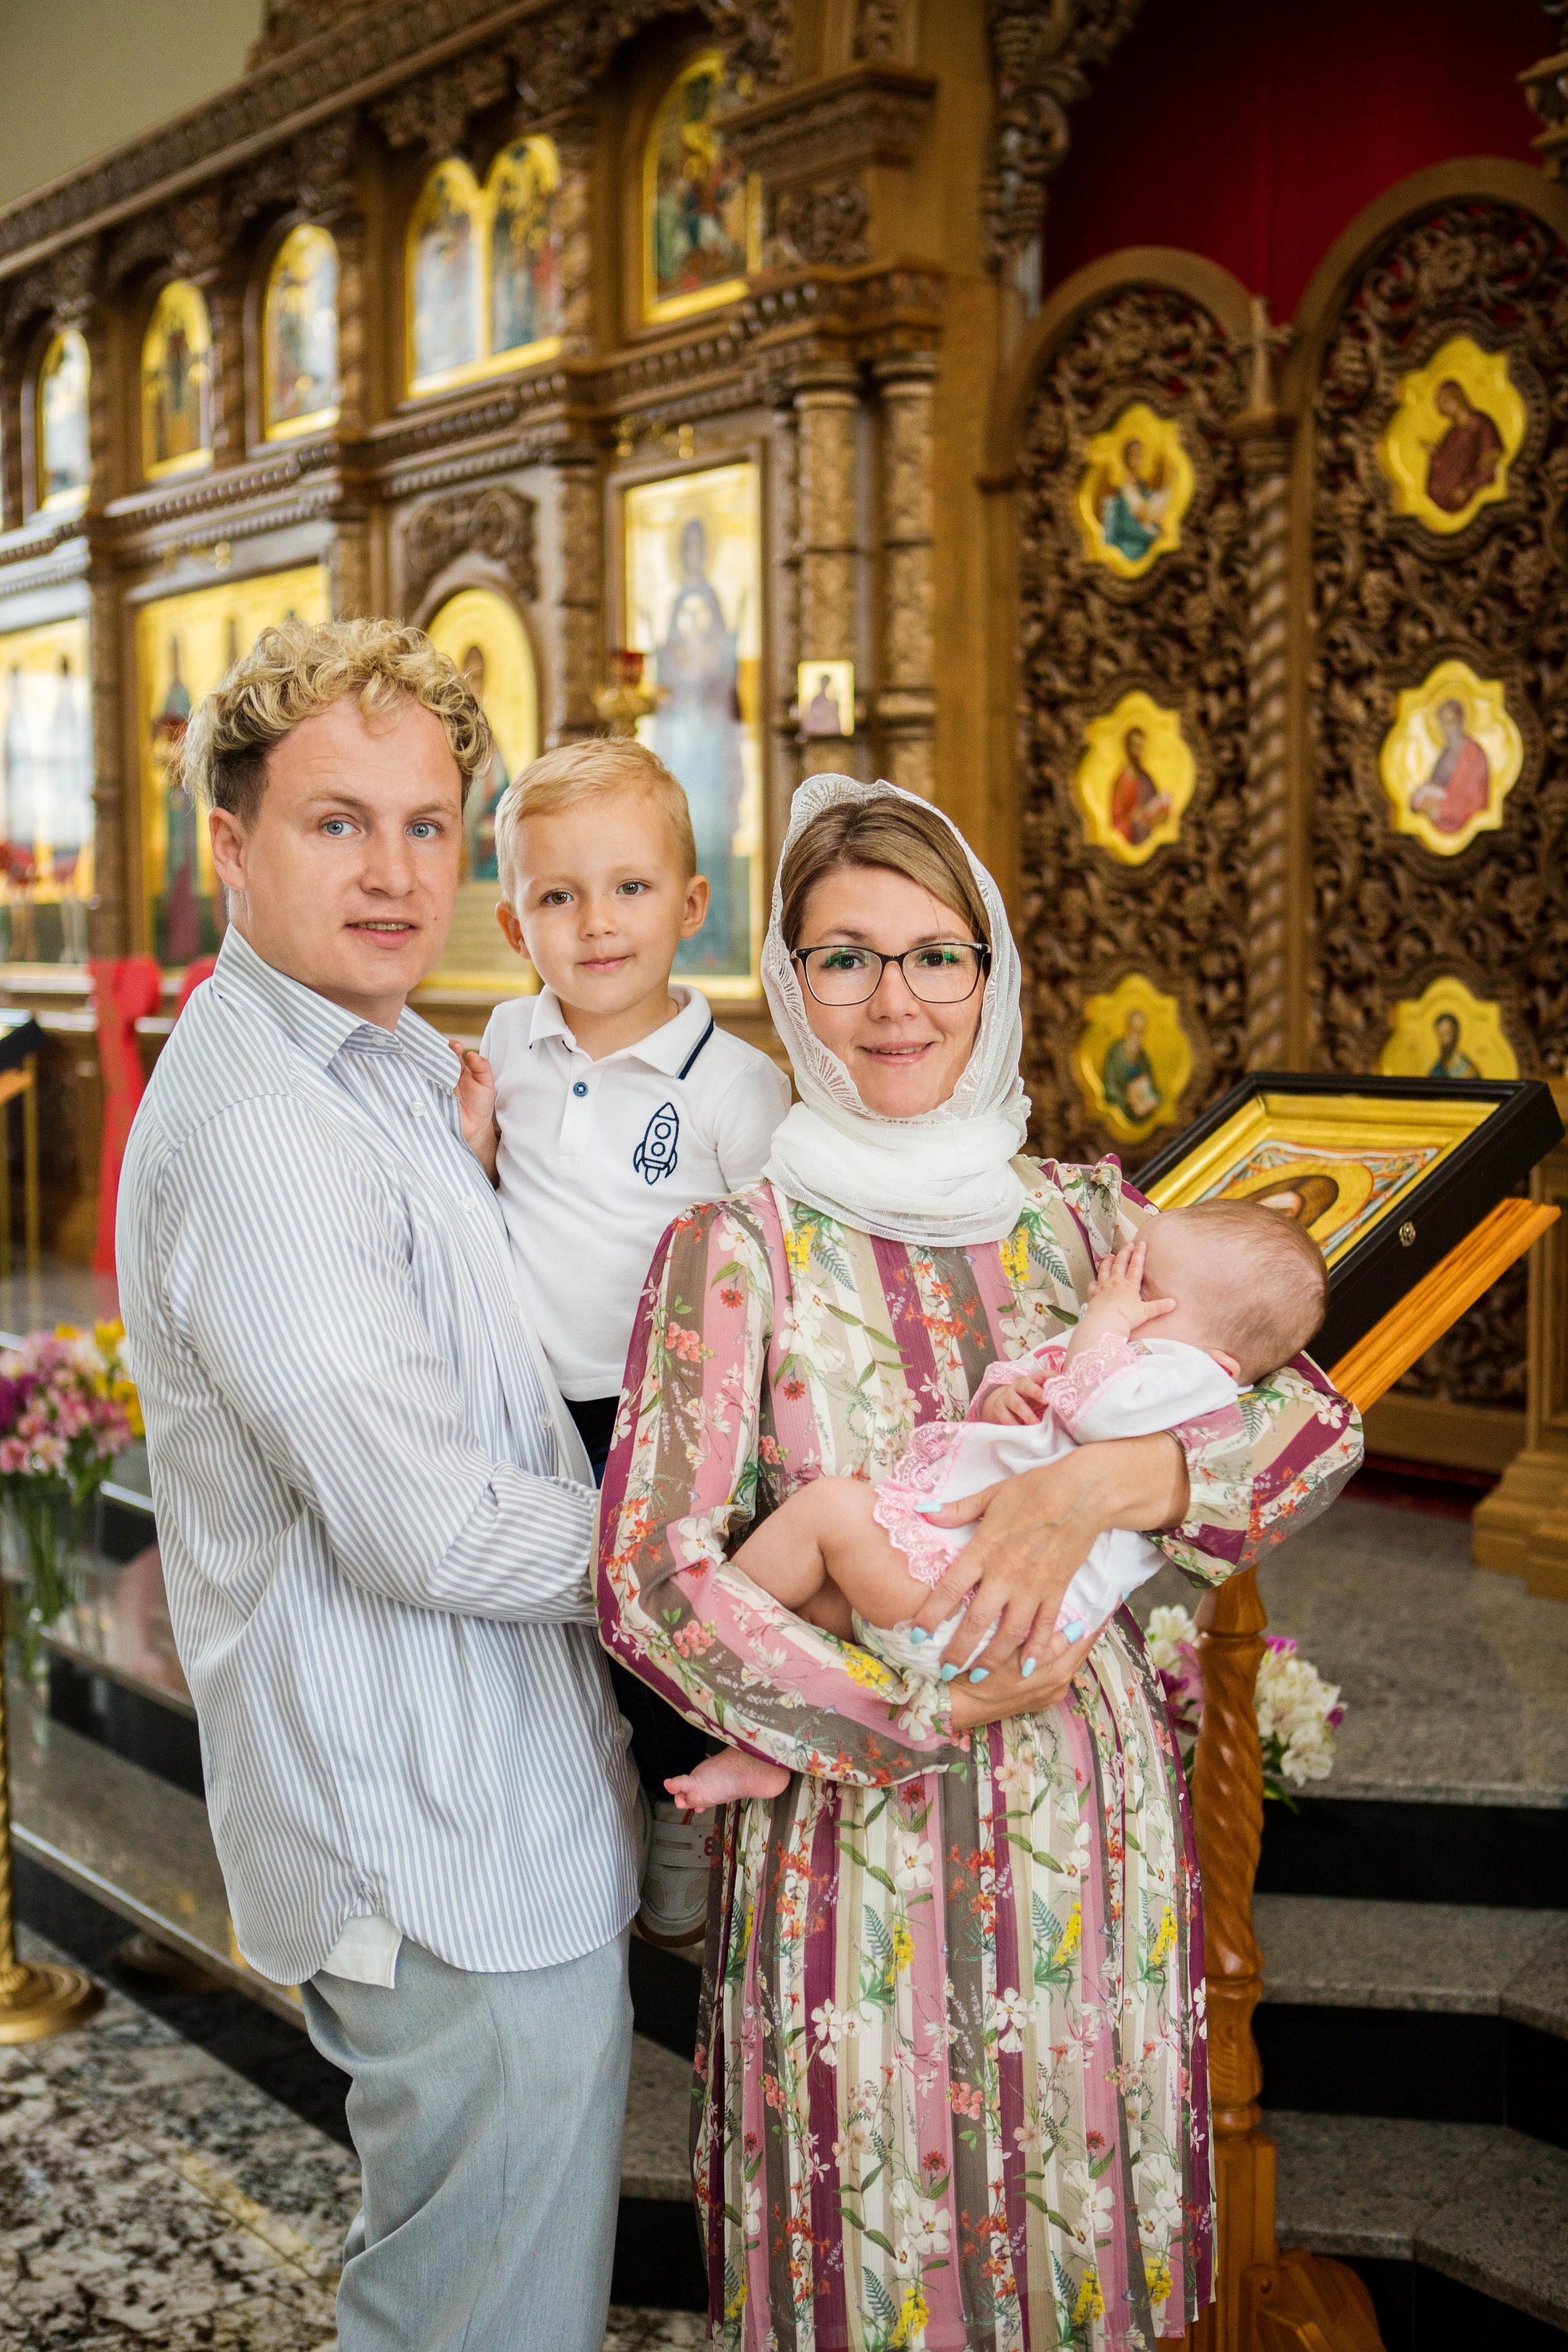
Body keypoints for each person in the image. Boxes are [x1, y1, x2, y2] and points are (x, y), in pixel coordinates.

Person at [597, 774, 1362, 2347]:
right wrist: (899, 1711)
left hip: (1086, 1842)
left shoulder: (1086, 1220)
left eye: (935, 954)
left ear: (992, 969)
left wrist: (1103, 1480)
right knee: (869, 2274)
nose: (896, 1002)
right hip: (847, 1851)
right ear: (788, 983)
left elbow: (1312, 1427)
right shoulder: (735, 1246)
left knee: (1071, 2261)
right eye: (845, 957)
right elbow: (651, 1577)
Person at [117, 617, 640, 2352]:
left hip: (487, 1790)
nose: (398, 872)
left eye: (429, 825)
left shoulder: (396, 1065)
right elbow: (426, 1523)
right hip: (434, 1831)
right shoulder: (272, 1124)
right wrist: (721, 1553)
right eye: (338, 823)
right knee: (471, 2319)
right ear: (231, 847)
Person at [451, 736, 789, 1943]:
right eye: (558, 895)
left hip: (667, 1411)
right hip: (524, 1404)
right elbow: (488, 1210)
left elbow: (768, 1259)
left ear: (691, 906)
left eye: (630, 888)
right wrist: (478, 1148)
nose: (597, 923)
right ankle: (564, 1818)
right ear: (512, 921)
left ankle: (678, 1802)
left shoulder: (733, 1087)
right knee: (556, 1633)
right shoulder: (507, 1043)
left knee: (656, 1622)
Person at [662, 1204, 1327, 1814]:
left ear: (1225, 1357)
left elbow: (1098, 1409)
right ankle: (762, 1751)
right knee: (826, 1603)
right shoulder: (1144, 1364)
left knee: (830, 1513)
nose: (1115, 1286)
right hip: (967, 1619)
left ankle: (725, 1636)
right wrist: (1009, 1404)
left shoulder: (1194, 1378)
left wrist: (1110, 1320)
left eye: (1144, 1288)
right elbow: (1046, 1420)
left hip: (986, 1611)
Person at [1411, 696, 1490, 835]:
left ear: (1461, 721)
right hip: (1435, 829)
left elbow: (1477, 802)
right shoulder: (1444, 755)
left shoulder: (1474, 754)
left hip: (1466, 831)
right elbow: (1433, 787)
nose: (1448, 729)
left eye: (1451, 722)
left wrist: (1443, 809)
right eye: (1444, 723)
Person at [1425, 379, 1502, 514]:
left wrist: (1469, 486)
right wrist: (1436, 454)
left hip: (1478, 501)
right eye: (1442, 403)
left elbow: (1493, 461)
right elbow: (1448, 463)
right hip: (1445, 503)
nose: (1445, 406)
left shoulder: (1480, 424)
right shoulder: (1451, 434)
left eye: (1447, 400)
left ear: (1458, 397)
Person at [1109, 723, 1172, 847]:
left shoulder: (1146, 779)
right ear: (1127, 747)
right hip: (1129, 839)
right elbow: (1114, 821)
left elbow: (1156, 811)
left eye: (1141, 747)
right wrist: (1131, 819)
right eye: (1134, 746)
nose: (1138, 751)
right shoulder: (1120, 781)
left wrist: (1160, 815)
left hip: (1149, 841)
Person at [1103, 1001, 1161, 1122]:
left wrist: (1154, 1099)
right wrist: (1125, 1098)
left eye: (1141, 1031)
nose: (1137, 1036)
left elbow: (1152, 1088)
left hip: (1142, 1116)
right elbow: (1108, 1088)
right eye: (1134, 1030)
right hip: (1119, 1115)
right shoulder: (1115, 1053)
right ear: (1128, 1028)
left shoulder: (1143, 1056)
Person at [1429, 1011, 1479, 1079]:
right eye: (1441, 1035)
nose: (1444, 1040)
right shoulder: (1437, 1069)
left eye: (1447, 1034)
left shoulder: (1469, 1069)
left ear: (1456, 1034)